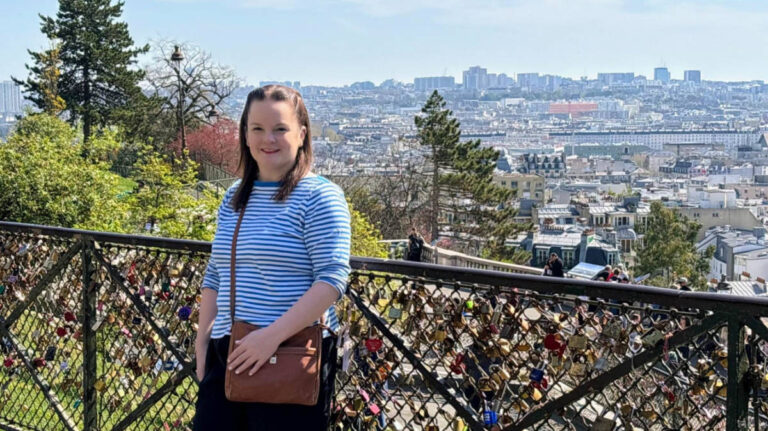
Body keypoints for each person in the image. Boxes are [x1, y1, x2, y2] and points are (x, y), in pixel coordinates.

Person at [193, 85, 352, 431]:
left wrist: (271, 336)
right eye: (258, 129)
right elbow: (216, 274)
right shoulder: (235, 195)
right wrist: (202, 342)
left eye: (280, 129)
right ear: (245, 136)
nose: (269, 139)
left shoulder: (320, 196)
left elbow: (332, 279)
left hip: (291, 352)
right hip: (229, 351)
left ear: (302, 134)